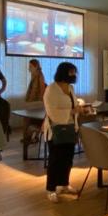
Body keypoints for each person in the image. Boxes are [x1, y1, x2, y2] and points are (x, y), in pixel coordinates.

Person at [43, 62, 81, 203]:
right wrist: (71, 111)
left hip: (70, 128)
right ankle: (51, 189)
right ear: (63, 73)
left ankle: (64, 184)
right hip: (56, 130)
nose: (74, 75)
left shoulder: (70, 88)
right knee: (55, 160)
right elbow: (51, 111)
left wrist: (79, 109)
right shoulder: (52, 89)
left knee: (68, 158)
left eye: (74, 72)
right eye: (71, 72)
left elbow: (74, 105)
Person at [23, 58, 47, 143]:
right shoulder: (35, 75)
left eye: (30, 66)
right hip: (35, 101)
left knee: (28, 119)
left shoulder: (38, 75)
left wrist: (30, 102)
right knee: (29, 119)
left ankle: (28, 137)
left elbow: (38, 90)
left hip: (36, 102)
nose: (29, 68)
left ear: (36, 66)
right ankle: (30, 137)